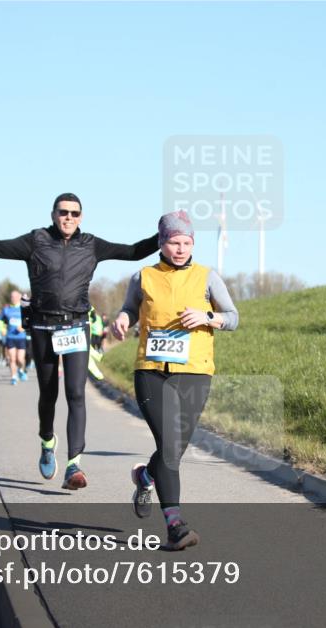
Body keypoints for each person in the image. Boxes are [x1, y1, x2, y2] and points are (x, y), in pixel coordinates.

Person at [0, 193, 158, 489]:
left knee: (76, 394)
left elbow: (134, 251)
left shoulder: (91, 245)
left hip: (76, 326)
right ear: (53, 214)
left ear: (81, 217)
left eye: (74, 213)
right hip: (44, 327)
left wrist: (165, 235)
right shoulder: (36, 240)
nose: (68, 217)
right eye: (63, 212)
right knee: (48, 394)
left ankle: (74, 465)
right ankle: (47, 440)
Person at [111, 211, 239, 551]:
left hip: (195, 372)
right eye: (173, 242)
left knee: (175, 448)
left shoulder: (207, 277)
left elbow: (234, 317)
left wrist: (208, 317)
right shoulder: (144, 276)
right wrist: (122, 320)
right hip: (150, 370)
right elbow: (129, 309)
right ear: (161, 243)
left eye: (186, 242)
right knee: (169, 447)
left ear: (193, 243)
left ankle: (145, 477)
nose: (180, 249)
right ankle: (175, 526)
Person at [0, 289, 29, 385]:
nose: (14, 298)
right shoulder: (6, 309)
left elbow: (29, 320)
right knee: (12, 359)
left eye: (16, 296)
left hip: (21, 337)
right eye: (12, 296)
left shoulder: (23, 308)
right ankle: (13, 377)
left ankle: (21, 370)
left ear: (19, 297)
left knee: (20, 359)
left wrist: (24, 327)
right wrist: (3, 330)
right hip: (10, 337)